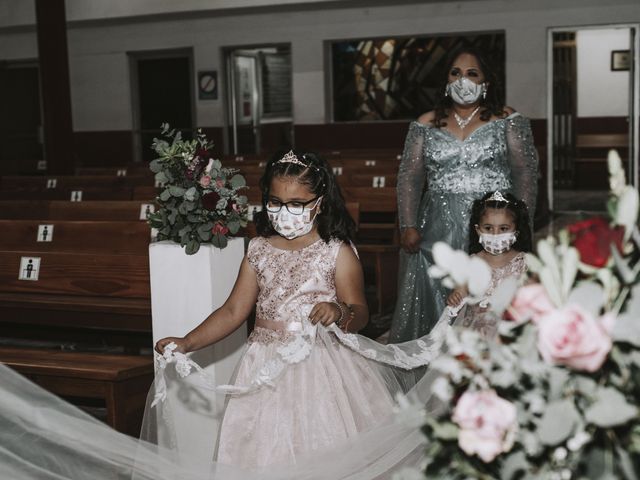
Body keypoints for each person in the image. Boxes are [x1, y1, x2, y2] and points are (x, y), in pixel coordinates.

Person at [151, 149, 443, 474]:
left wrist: (340, 310)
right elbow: (234, 310)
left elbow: (361, 313)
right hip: (263, 365)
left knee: (322, 449)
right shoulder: (259, 250)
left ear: (319, 202)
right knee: (262, 451)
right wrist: (188, 341)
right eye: (275, 202)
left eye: (296, 204)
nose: (284, 212)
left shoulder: (336, 252)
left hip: (321, 365)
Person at [389, 46, 538, 343]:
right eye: (455, 73)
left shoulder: (505, 119)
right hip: (437, 225)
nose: (463, 80)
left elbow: (525, 172)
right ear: (445, 80)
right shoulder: (426, 123)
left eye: (472, 73)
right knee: (439, 291)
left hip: (492, 223)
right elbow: (409, 176)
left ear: (486, 82)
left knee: (488, 294)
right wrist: (408, 224)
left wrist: (522, 221)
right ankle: (430, 366)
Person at [446, 191, 532, 338]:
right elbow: (461, 290)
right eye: (488, 228)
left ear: (516, 232)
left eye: (503, 228)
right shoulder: (472, 262)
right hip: (476, 329)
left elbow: (530, 295)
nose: (495, 234)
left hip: (509, 328)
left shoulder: (524, 262)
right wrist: (456, 296)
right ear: (478, 230)